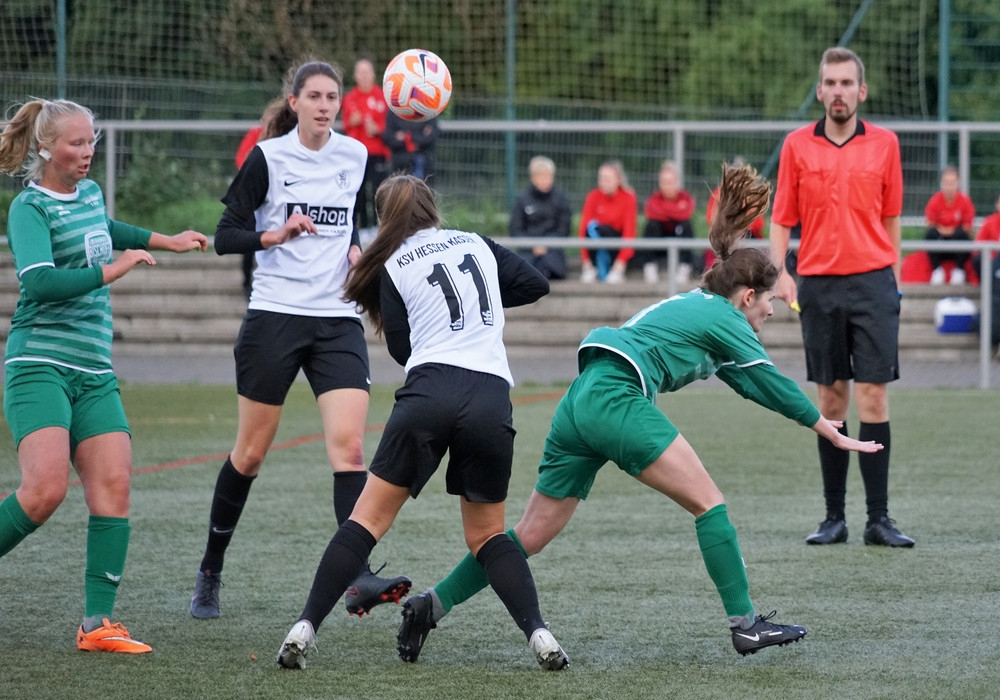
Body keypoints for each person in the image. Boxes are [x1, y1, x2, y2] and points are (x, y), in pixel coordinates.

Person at [396, 163, 886, 664]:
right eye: (769, 301)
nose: (773, 310)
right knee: (709, 503)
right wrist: (828, 429)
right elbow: (769, 380)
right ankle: (746, 626)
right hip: (616, 399)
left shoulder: (706, 307)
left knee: (530, 535)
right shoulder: (724, 316)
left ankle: (428, 606)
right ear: (747, 296)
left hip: (580, 402)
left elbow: (746, 381)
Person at [276, 174, 568, 672]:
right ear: (433, 207)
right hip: (489, 396)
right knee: (488, 537)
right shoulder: (475, 242)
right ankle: (540, 634)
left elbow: (401, 350)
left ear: (385, 218)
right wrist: (484, 309)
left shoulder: (391, 262)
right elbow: (536, 283)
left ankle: (303, 626)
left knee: (366, 522)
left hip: (429, 392)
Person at [188, 60, 410, 621]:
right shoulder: (269, 158)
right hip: (275, 316)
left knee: (351, 449)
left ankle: (358, 576)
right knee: (251, 452)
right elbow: (224, 237)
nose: (324, 105)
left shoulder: (355, 155)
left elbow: (353, 226)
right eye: (313, 96)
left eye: (331, 97)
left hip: (336, 320)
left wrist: (359, 254)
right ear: (294, 102)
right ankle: (211, 569)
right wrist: (275, 233)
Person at [0, 98, 208, 653]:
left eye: (91, 141)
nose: (88, 151)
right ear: (46, 148)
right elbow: (40, 283)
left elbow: (108, 226)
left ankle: (97, 625)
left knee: (113, 488)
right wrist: (112, 270)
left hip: (94, 370)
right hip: (39, 362)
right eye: (75, 143)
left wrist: (167, 239)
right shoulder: (29, 208)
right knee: (42, 492)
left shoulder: (89, 194)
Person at [768, 46, 914, 548]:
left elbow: (892, 215)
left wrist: (891, 272)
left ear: (861, 91)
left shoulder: (886, 145)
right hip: (818, 284)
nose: (838, 91)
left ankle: (879, 519)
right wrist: (781, 274)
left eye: (846, 83)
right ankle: (834, 517)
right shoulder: (795, 146)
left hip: (874, 281)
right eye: (830, 83)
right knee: (831, 397)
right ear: (820, 91)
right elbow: (782, 217)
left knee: (873, 393)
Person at [234, 98, 287, 299]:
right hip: (255, 198)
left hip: (277, 201)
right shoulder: (256, 136)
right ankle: (247, 281)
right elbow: (241, 160)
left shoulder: (287, 142)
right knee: (250, 240)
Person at [342, 57, 390, 238]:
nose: (364, 76)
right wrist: (354, 121)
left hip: (377, 153)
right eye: (360, 72)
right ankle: (361, 228)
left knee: (379, 190)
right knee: (358, 192)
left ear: (373, 74)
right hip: (356, 154)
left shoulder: (382, 96)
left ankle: (380, 227)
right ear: (355, 76)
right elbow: (348, 124)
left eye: (367, 72)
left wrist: (378, 129)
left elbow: (388, 125)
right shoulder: (350, 98)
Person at [509, 155, 572, 280]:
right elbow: (516, 230)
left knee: (547, 267)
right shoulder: (522, 200)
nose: (546, 180)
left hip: (552, 251)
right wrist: (532, 246)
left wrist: (546, 244)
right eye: (542, 176)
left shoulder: (561, 200)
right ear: (533, 178)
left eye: (549, 176)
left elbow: (564, 230)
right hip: (528, 252)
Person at [637, 160, 696, 284]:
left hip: (678, 236)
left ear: (677, 183)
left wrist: (664, 211)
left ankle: (684, 267)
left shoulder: (686, 198)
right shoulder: (654, 199)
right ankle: (649, 266)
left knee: (686, 225)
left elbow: (686, 213)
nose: (667, 186)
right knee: (651, 225)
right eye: (664, 182)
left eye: (671, 182)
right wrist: (674, 211)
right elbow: (651, 213)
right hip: (659, 240)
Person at [578, 160, 637, 284]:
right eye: (601, 178)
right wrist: (586, 262)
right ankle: (592, 269)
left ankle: (615, 270)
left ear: (618, 180)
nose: (603, 183)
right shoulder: (593, 196)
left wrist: (620, 264)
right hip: (596, 245)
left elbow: (629, 233)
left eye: (608, 179)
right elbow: (583, 230)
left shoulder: (628, 197)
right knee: (593, 229)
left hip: (615, 247)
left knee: (604, 230)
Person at [704, 157, 766, 271]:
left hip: (748, 236)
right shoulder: (719, 193)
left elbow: (758, 223)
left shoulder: (751, 194)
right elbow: (711, 219)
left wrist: (739, 224)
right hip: (725, 234)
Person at [924, 165, 976, 285]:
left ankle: (959, 270)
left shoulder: (965, 201)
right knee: (930, 234)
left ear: (958, 183)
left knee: (963, 235)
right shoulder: (935, 200)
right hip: (940, 241)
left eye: (952, 182)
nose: (949, 186)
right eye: (946, 182)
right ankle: (937, 270)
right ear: (941, 183)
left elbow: (968, 227)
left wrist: (948, 230)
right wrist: (948, 231)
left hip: (957, 242)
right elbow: (930, 223)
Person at [382, 110, 439, 182]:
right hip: (399, 164)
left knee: (420, 189)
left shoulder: (427, 110)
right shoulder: (394, 110)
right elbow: (387, 137)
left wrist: (406, 137)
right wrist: (419, 135)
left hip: (423, 161)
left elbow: (432, 135)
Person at [970, 188, 1000, 273]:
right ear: (997, 205)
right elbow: (978, 244)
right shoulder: (989, 222)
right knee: (978, 259)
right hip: (993, 260)